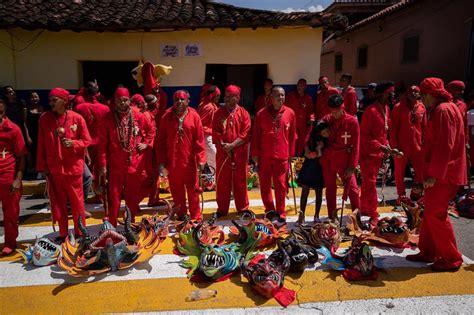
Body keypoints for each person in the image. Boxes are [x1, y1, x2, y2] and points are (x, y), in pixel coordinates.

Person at [406, 77, 466, 271]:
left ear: (431, 94)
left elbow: (444, 146)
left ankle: (452, 257)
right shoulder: (443, 109)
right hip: (442, 171)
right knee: (430, 212)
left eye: (424, 95)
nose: (422, 99)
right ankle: (428, 251)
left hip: (444, 173)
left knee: (436, 214)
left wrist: (434, 175)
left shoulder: (443, 110)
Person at [37, 88, 91, 241]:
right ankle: (63, 234)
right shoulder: (44, 119)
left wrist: (73, 143)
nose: (51, 103)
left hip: (73, 168)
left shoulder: (77, 118)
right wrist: (43, 166)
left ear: (64, 101)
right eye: (50, 100)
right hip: (54, 169)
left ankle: (81, 233)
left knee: (77, 203)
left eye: (54, 100)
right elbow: (41, 142)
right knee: (58, 204)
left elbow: (87, 140)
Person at [98, 87, 154, 226]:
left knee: (132, 195)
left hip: (134, 163)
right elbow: (102, 146)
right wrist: (103, 165)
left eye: (125, 100)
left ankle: (131, 221)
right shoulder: (107, 119)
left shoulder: (139, 116)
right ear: (114, 101)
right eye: (119, 100)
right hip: (115, 165)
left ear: (129, 101)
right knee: (114, 196)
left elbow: (151, 130)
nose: (122, 103)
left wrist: (146, 144)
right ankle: (112, 223)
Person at [155, 90, 206, 221]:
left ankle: (196, 217)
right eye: (177, 99)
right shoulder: (166, 117)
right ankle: (182, 214)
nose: (179, 102)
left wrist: (201, 159)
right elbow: (160, 142)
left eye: (182, 99)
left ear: (188, 101)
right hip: (172, 163)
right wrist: (161, 163)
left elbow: (199, 140)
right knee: (176, 191)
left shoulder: (194, 116)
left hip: (190, 162)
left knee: (193, 191)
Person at [251, 86, 297, 222]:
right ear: (271, 98)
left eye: (282, 95)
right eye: (277, 95)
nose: (280, 98)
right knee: (265, 185)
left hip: (282, 156)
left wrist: (291, 154)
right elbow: (255, 136)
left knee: (281, 185)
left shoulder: (290, 113)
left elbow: (293, 135)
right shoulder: (261, 114)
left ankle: (281, 211)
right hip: (264, 156)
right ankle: (269, 210)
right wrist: (255, 154)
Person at [359, 81, 395, 227]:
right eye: (390, 93)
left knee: (368, 184)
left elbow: (384, 132)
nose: (393, 95)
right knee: (371, 184)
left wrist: (387, 146)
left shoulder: (386, 109)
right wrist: (381, 147)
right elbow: (365, 135)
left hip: (378, 153)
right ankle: (373, 213)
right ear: (382, 94)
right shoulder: (371, 111)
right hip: (368, 154)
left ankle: (364, 208)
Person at [320, 94, 361, 221]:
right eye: (332, 111)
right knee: (330, 188)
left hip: (344, 160)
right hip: (328, 159)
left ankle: (357, 216)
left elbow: (356, 145)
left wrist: (352, 166)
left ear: (342, 107)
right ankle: (332, 216)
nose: (334, 114)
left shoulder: (352, 121)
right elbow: (314, 134)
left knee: (353, 189)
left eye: (336, 111)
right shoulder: (326, 119)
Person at [212, 85, 251, 217]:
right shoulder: (218, 113)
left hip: (240, 154)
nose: (227, 99)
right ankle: (222, 210)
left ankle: (243, 208)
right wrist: (224, 146)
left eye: (230, 96)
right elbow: (216, 132)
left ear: (237, 98)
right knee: (223, 182)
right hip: (223, 154)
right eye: (226, 96)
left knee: (240, 181)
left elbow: (246, 134)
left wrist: (232, 145)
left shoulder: (244, 113)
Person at [389, 85, 426, 204]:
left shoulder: (422, 107)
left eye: (416, 92)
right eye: (411, 91)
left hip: (418, 146)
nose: (413, 93)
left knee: (420, 171)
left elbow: (425, 127)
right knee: (399, 172)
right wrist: (394, 146)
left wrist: (425, 144)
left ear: (419, 94)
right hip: (401, 146)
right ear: (406, 93)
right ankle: (402, 195)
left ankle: (416, 193)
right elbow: (393, 128)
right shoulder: (398, 107)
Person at [0, 99, 27, 255]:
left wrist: (18, 179)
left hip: (8, 177)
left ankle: (10, 243)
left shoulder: (13, 129)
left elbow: (22, 156)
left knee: (10, 214)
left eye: (1, 111)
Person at [75, 96, 110, 204]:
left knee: (88, 171)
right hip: (101, 142)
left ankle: (87, 196)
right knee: (101, 169)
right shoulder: (105, 108)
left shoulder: (80, 108)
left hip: (87, 143)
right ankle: (101, 196)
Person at [296, 120, 328, 225]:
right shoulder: (310, 139)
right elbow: (306, 153)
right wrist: (313, 152)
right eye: (324, 131)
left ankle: (317, 215)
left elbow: (324, 154)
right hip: (309, 165)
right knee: (305, 191)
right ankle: (301, 215)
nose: (326, 133)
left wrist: (319, 150)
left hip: (320, 167)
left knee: (319, 192)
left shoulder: (326, 140)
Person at [286, 79, 314, 155]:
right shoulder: (290, 96)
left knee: (301, 145)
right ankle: (289, 163)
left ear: (305, 87)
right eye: (298, 85)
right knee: (291, 142)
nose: (299, 87)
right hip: (292, 124)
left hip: (303, 125)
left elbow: (311, 111)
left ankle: (297, 165)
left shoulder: (308, 98)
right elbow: (285, 108)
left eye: (301, 86)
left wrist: (311, 118)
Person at [198, 86, 221, 172]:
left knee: (211, 159)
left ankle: (214, 181)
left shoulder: (207, 104)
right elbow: (200, 124)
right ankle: (215, 181)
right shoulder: (209, 107)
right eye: (218, 96)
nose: (219, 98)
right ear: (213, 96)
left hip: (209, 136)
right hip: (207, 137)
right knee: (214, 158)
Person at [26, 91, 44, 178]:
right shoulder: (27, 109)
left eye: (36, 97)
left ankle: (38, 171)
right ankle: (30, 172)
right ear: (29, 99)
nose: (34, 99)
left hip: (39, 133)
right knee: (30, 152)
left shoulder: (41, 108)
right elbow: (24, 123)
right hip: (30, 133)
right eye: (32, 97)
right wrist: (27, 136)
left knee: (38, 151)